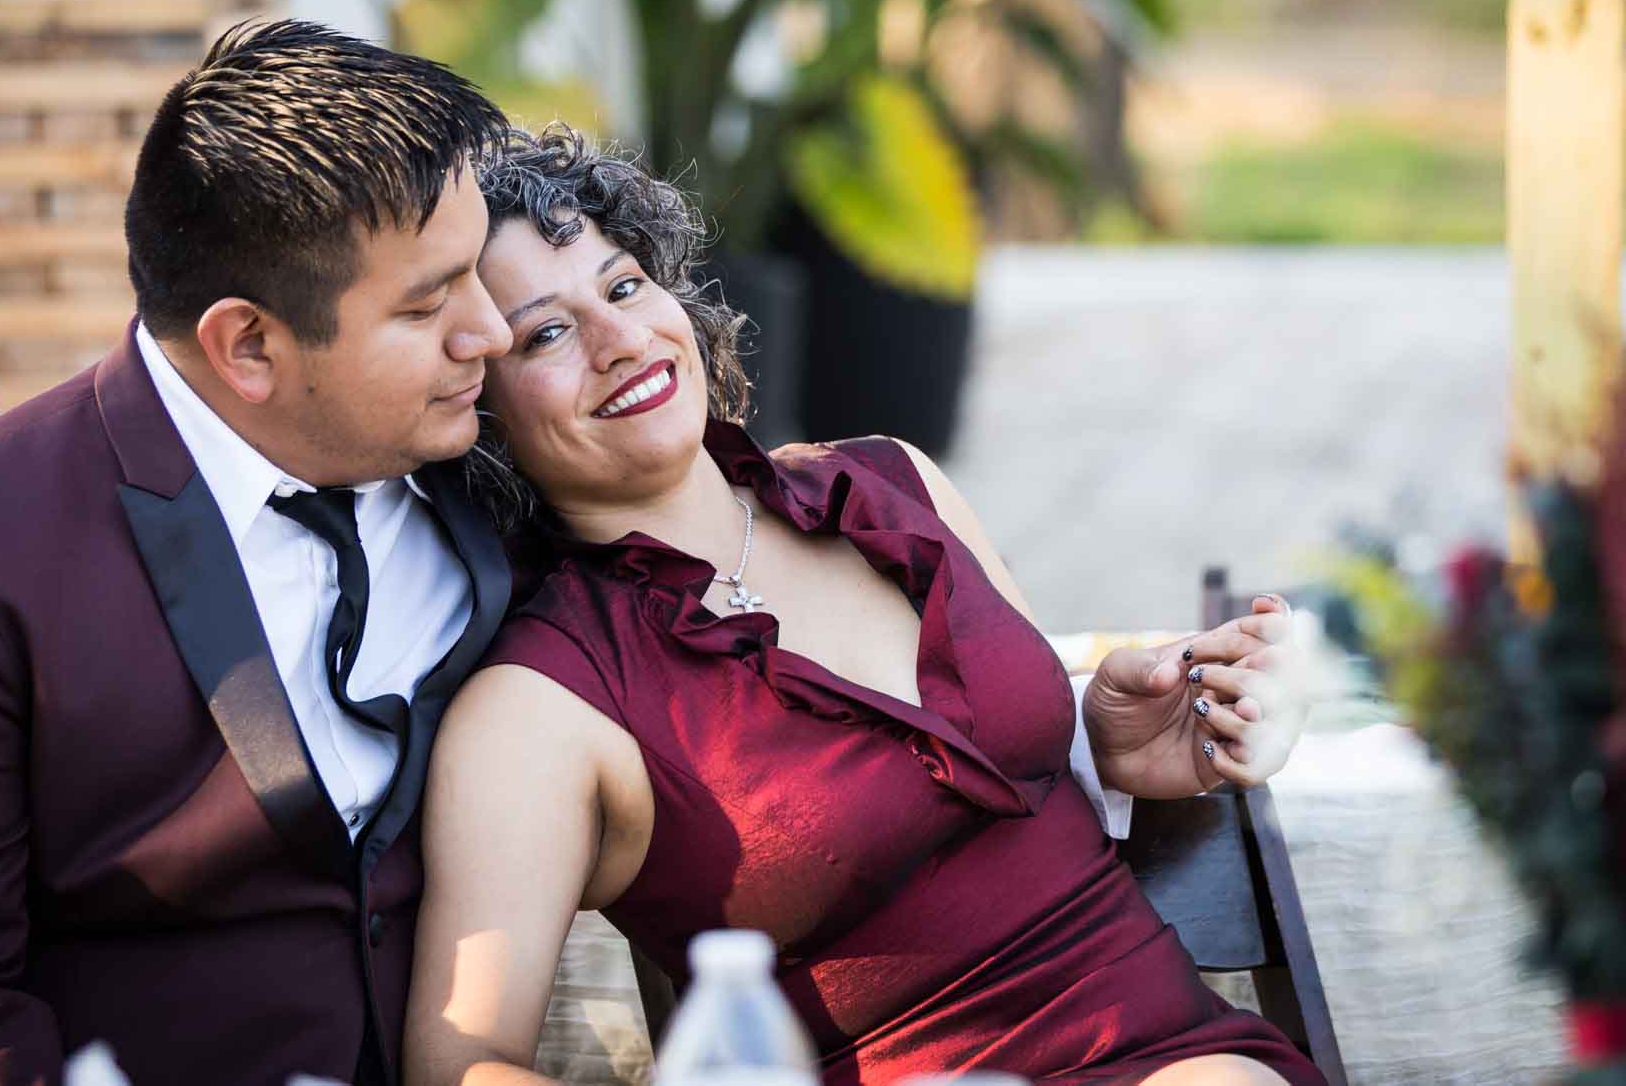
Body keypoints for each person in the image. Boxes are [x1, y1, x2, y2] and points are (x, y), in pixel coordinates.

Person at [403, 125, 1321, 1086]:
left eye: (625, 284)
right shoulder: (539, 707)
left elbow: (977, 789)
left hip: (1184, 1048)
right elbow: (456, 1066)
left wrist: (1106, 740)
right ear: (480, 408)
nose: (622, 338)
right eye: (548, 331)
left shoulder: (894, 485)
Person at [0, 21, 517, 1086]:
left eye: (477, 275)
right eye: (427, 305)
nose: (490, 333)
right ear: (248, 346)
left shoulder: (481, 461)